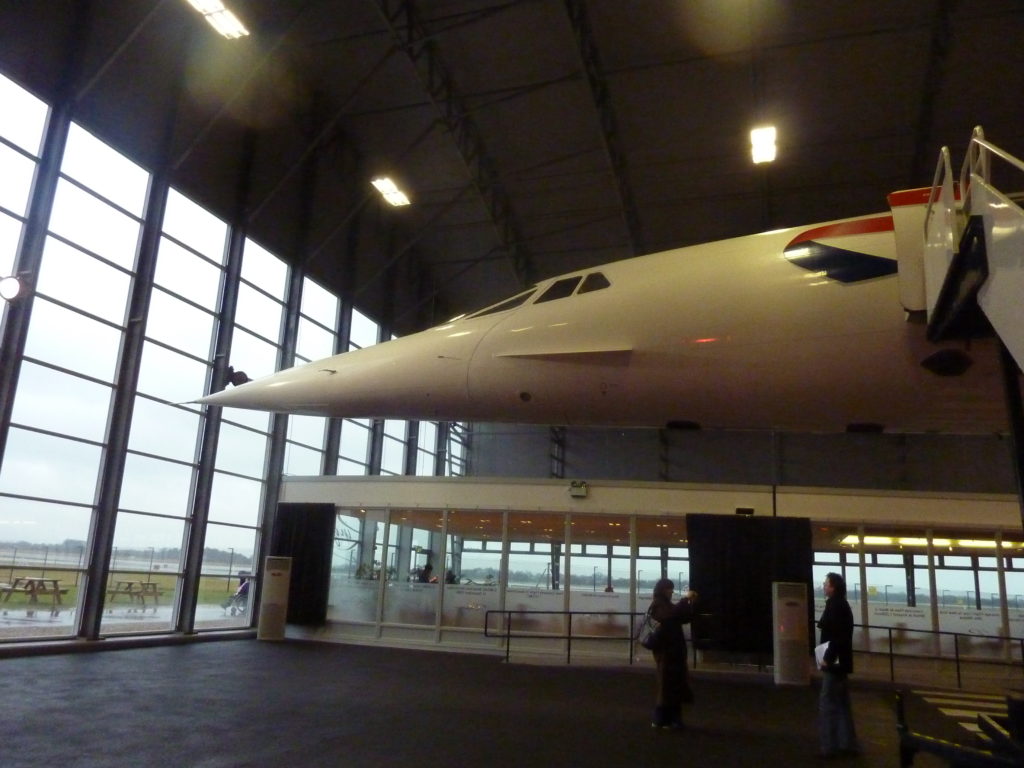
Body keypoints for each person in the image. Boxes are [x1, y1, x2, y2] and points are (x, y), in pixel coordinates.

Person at [817, 572, 859, 757]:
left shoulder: (835, 606)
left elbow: (836, 635)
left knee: (828, 703)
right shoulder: (842, 605)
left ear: (833, 587)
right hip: (842, 661)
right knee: (842, 703)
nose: (824, 586)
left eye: (826, 584)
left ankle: (830, 746)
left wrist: (827, 657)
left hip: (834, 661)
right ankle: (847, 743)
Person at [647, 577, 698, 729]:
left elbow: (682, 618)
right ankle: (664, 718)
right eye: (669, 588)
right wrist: (684, 601)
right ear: (663, 590)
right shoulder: (658, 605)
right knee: (668, 684)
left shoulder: (665, 605)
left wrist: (690, 604)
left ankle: (667, 719)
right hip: (666, 651)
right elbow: (670, 617)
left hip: (673, 650)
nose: (671, 591)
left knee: (673, 684)